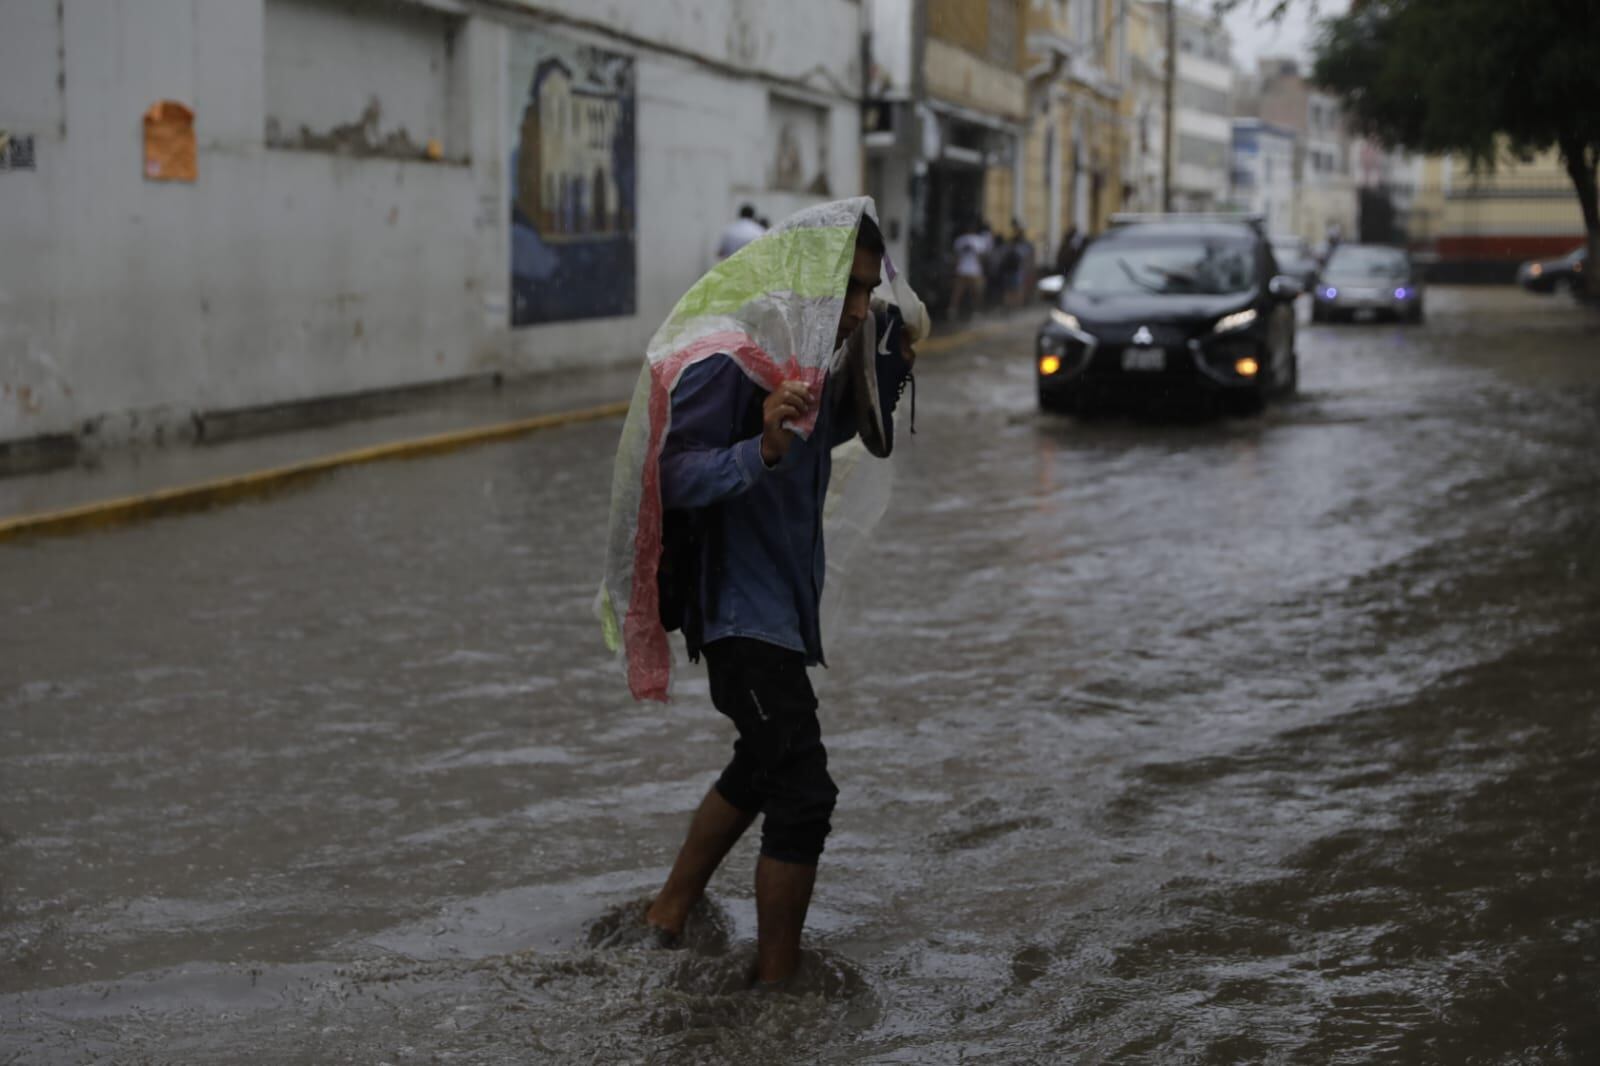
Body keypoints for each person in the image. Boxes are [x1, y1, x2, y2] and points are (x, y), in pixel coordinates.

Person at [642, 214, 916, 986]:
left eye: (870, 289)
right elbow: (671, 477)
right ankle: (776, 990)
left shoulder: (808, 359)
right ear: (806, 283)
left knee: (761, 765)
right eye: (850, 290)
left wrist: (887, 368)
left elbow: (827, 439)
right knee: (804, 792)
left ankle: (669, 911)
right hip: (737, 615)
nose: (861, 307)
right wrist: (758, 447)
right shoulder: (732, 362)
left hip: (778, 612)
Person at [949, 221, 987, 320]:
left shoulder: (960, 240)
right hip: (974, 270)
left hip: (962, 269)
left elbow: (956, 257)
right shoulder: (979, 240)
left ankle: (953, 311)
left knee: (958, 292)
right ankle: (976, 312)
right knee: (976, 292)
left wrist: (954, 269)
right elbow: (982, 258)